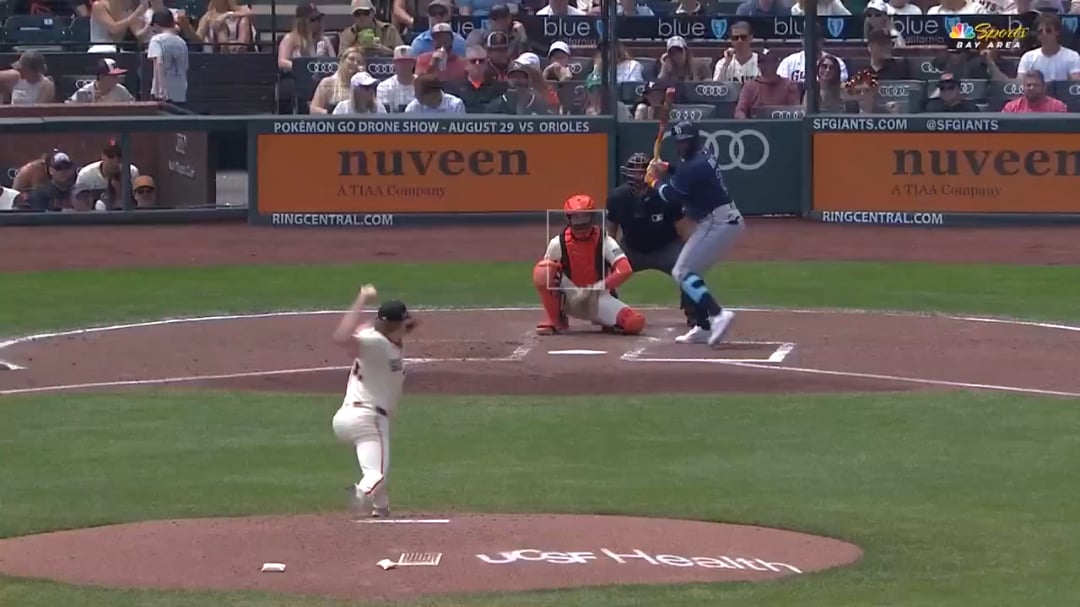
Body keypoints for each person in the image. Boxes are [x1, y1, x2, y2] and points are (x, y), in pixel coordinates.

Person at [644, 121, 745, 346]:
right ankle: (703, 325)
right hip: (721, 220)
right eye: (679, 142)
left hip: (718, 222)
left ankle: (718, 314)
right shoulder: (701, 157)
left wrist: (653, 181)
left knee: (682, 271)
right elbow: (685, 174)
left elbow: (671, 195)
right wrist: (667, 168)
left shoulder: (693, 166)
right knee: (691, 274)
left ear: (693, 141)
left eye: (685, 142)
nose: (681, 146)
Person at [331, 285, 420, 519]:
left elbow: (401, 328)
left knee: (374, 466)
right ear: (395, 324)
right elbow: (341, 337)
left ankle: (381, 508)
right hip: (369, 419)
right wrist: (361, 297)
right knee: (376, 474)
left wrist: (402, 324)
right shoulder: (375, 343)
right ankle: (359, 494)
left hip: (347, 419)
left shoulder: (384, 339)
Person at [606, 153, 699, 331]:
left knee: (688, 268)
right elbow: (610, 233)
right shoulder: (617, 197)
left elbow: (682, 228)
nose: (637, 176)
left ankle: (694, 314)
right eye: (634, 172)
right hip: (631, 249)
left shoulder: (666, 196)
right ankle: (611, 313)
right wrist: (608, 258)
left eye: (641, 172)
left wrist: (690, 253)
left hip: (665, 247)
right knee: (603, 270)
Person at [531, 194, 644, 336]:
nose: (581, 223)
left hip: (597, 297)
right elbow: (547, 276)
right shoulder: (557, 243)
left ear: (592, 218)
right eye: (576, 218)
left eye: (585, 217)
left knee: (633, 323)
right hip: (570, 297)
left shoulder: (605, 241)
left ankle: (606, 319)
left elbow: (625, 270)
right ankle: (555, 319)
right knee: (543, 271)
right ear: (569, 218)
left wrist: (599, 287)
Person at [734, 49, 799, 118]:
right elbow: (740, 111)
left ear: (777, 63)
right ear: (758, 65)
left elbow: (795, 112)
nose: (766, 65)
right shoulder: (750, 86)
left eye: (770, 62)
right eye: (762, 62)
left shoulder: (788, 85)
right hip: (756, 126)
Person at [1017, 13, 1080, 82]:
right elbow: (1020, 84)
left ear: (1057, 32)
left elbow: (1075, 85)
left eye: (1048, 30)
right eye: (1040, 32)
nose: (1044, 34)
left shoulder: (1072, 56)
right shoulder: (1028, 57)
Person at [147, 8, 189, 104]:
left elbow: (159, 63)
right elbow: (185, 67)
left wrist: (162, 89)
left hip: (162, 94)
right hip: (180, 90)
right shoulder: (182, 42)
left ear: (156, 24)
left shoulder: (156, 40)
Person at [310, 47, 364, 115]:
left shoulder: (362, 87)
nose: (355, 63)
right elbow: (313, 109)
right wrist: (332, 113)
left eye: (359, 62)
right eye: (351, 59)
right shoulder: (327, 83)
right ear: (342, 61)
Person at [338, 0, 402, 56]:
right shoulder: (347, 34)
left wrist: (380, 48)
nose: (362, 17)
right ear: (353, 17)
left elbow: (402, 54)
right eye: (357, 14)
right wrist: (357, 48)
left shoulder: (388, 30)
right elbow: (341, 58)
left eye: (366, 13)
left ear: (373, 12)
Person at [68, 57, 135, 103]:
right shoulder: (85, 92)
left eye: (117, 76)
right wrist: (92, 103)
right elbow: (69, 109)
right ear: (102, 77)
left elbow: (133, 107)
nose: (117, 79)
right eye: (113, 76)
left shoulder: (121, 90)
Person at [1002, 69, 1068, 111]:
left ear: (1044, 87)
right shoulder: (1011, 107)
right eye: (1028, 85)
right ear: (1023, 87)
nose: (1032, 88)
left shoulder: (1058, 107)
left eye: (1036, 85)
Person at [376, 45, 417, 112]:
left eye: (407, 62)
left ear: (413, 63)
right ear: (393, 63)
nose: (403, 65)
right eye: (399, 62)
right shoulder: (384, 86)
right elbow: (384, 113)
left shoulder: (422, 85)